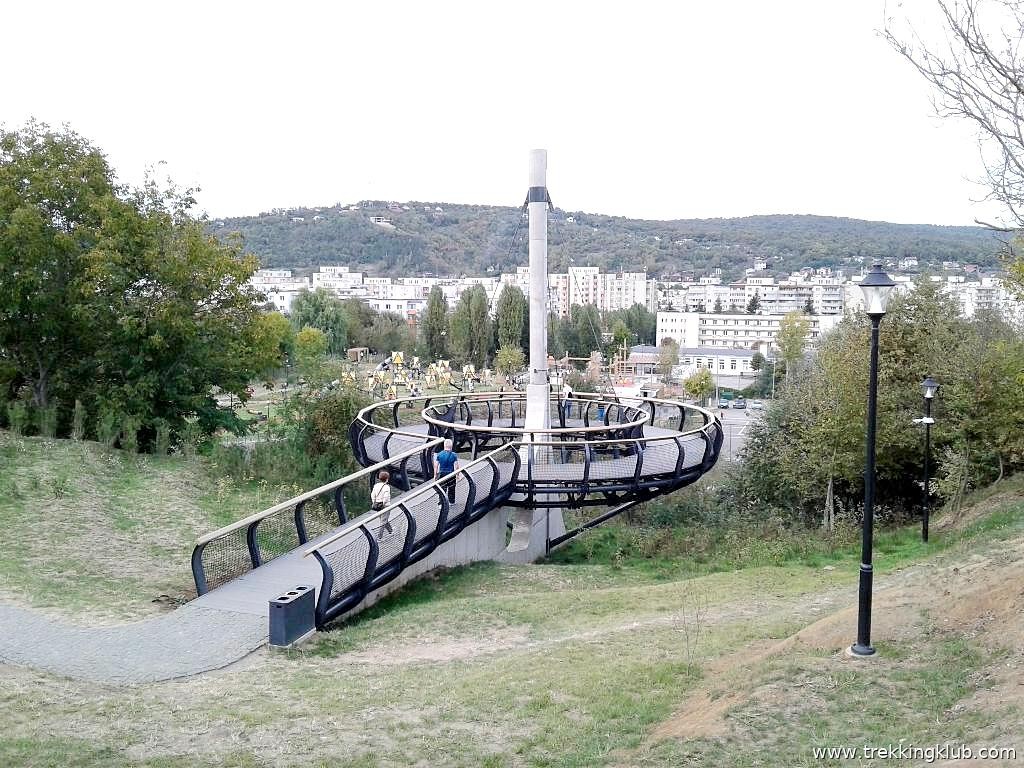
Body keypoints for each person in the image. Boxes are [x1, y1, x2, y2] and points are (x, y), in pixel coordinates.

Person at [434, 439, 460, 505]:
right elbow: (457, 466)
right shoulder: (454, 455)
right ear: (451, 446)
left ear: (444, 446)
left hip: (442, 474)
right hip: (451, 474)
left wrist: (435, 475)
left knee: (442, 489)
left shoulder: (439, 454)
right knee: (452, 488)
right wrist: (457, 475)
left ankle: (441, 503)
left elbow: (436, 466)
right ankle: (451, 501)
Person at [371, 470, 392, 537]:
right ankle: (380, 536)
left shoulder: (376, 485)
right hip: (385, 505)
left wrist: (374, 502)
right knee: (383, 521)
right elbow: (385, 497)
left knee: (383, 519)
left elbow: (372, 494)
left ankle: (390, 531)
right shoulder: (386, 487)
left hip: (377, 505)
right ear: (387, 479)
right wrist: (383, 503)